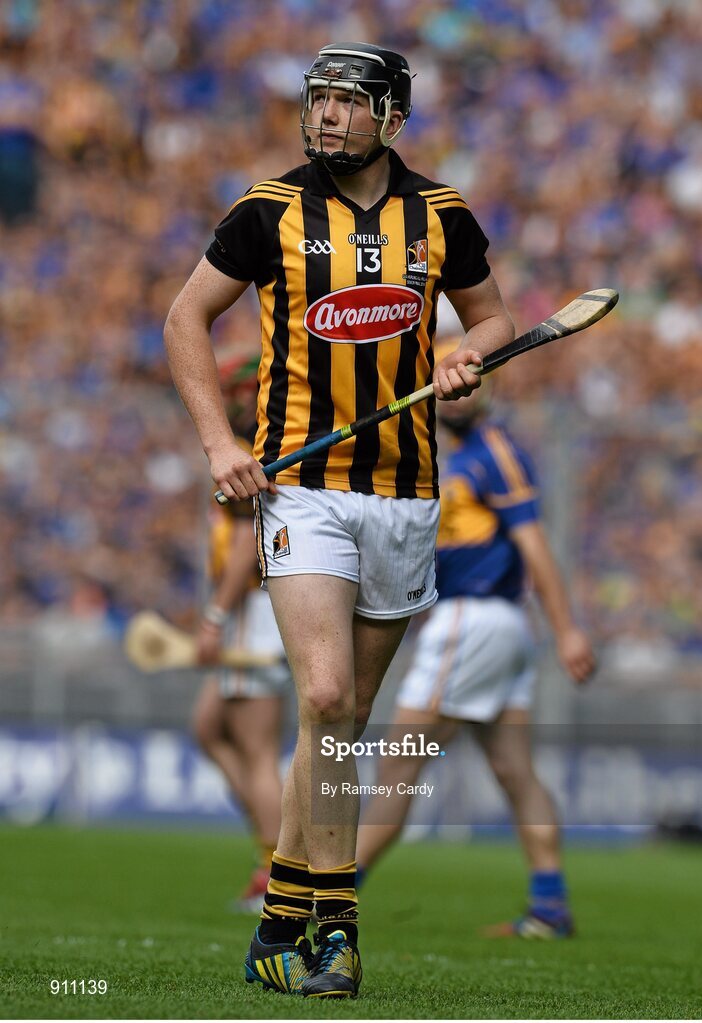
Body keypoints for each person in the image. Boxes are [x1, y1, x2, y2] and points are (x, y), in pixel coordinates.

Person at [164, 41, 515, 998]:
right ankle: (338, 930)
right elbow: (184, 319)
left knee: (344, 724)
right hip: (302, 492)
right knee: (322, 699)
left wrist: (463, 357)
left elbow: (489, 318)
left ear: (392, 117)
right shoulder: (268, 208)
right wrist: (216, 444)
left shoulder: (442, 216)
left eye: (347, 103)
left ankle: (283, 918)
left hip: (405, 497)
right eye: (317, 98)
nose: (326, 116)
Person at [356, 351, 596, 938]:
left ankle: (330, 891)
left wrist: (566, 629)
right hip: (492, 627)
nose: (460, 390)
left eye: (471, 381)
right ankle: (550, 907)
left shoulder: (496, 452)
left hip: (478, 620)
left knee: (398, 766)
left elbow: (536, 547)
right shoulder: (442, 455)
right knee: (515, 772)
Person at [191, 352, 292, 914]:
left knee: (257, 752)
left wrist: (214, 617)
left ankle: (277, 876)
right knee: (208, 727)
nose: (225, 401)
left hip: (254, 611)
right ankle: (268, 855)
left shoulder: (253, 453)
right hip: (248, 616)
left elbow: (247, 552)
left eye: (234, 390)